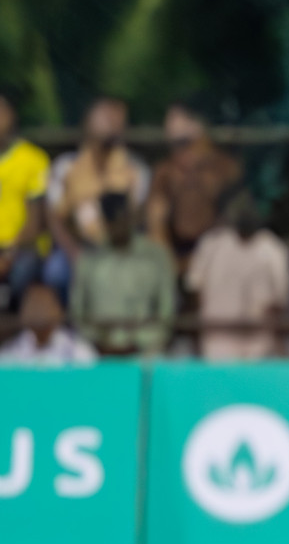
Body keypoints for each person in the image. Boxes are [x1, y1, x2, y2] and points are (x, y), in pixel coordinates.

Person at [46, 97, 151, 302]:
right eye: (107, 117)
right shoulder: (66, 167)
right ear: (87, 123)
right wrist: (74, 253)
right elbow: (55, 218)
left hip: (120, 249)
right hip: (77, 248)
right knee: (56, 271)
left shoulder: (136, 170)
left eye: (119, 119)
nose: (114, 124)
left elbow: (138, 220)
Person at [185, 191, 289, 360]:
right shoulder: (212, 243)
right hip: (217, 336)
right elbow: (193, 288)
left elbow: (280, 301)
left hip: (257, 342)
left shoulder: (273, 248)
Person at [71, 192, 176, 355]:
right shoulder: (90, 260)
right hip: (98, 353)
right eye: (113, 220)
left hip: (145, 352)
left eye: (123, 218)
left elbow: (166, 312)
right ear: (105, 222)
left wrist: (140, 343)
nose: (119, 225)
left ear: (131, 217)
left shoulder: (155, 256)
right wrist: (98, 342)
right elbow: (78, 313)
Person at [146, 100, 243, 270]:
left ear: (197, 125)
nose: (168, 125)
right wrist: (169, 263)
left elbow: (234, 218)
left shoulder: (224, 168)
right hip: (176, 256)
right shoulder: (165, 172)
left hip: (218, 256)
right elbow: (156, 219)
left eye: (175, 118)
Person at [0, 91, 53, 311]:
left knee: (23, 270)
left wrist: (8, 255)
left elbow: (35, 224)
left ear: (12, 116)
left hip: (22, 249)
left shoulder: (33, 159)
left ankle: (18, 332)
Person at [0, 283, 96, 365]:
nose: (38, 310)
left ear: (59, 311)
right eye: (34, 304)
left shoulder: (80, 353)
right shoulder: (9, 353)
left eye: (44, 304)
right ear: (22, 312)